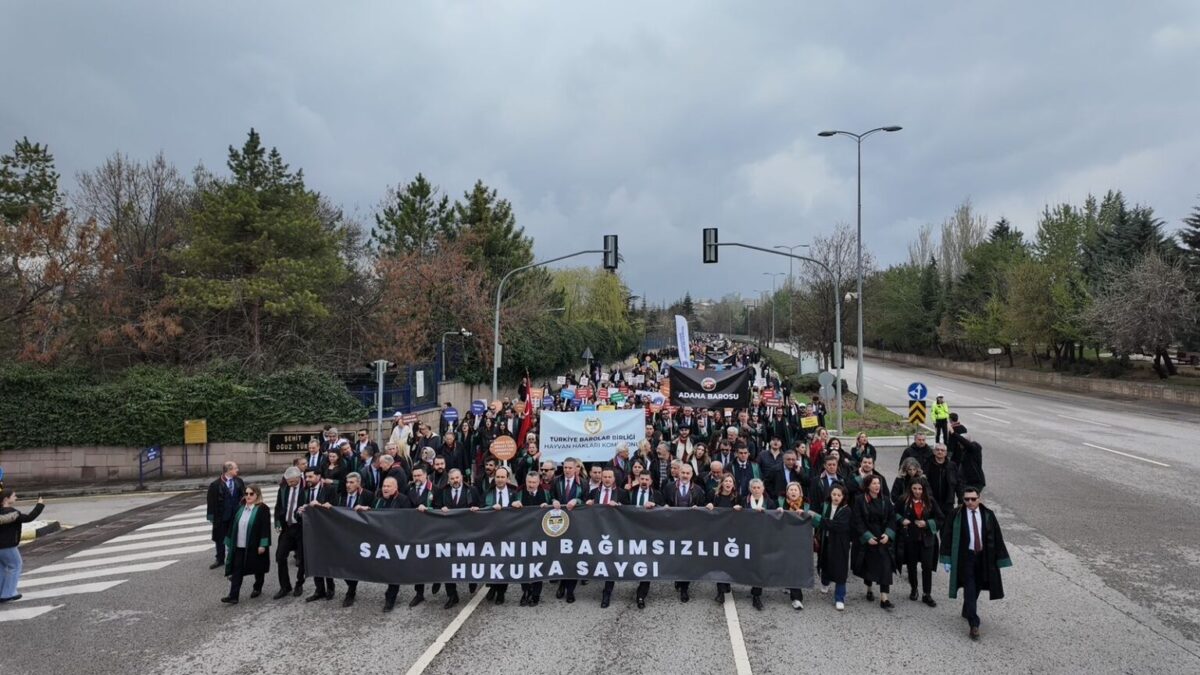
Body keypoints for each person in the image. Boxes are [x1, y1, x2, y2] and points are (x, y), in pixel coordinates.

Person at [940, 487, 1012, 641]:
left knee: (978, 586)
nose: (970, 502)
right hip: (966, 558)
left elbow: (997, 536)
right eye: (966, 499)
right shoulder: (956, 515)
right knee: (970, 588)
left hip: (983, 557)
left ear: (979, 498)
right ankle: (974, 624)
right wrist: (946, 558)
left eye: (973, 499)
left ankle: (967, 609)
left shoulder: (988, 515)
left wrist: (1001, 559)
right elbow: (947, 536)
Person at [429, 469, 479, 608]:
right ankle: (452, 595)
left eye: (457, 478)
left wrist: (476, 509)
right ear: (448, 480)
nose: (455, 481)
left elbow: (480, 506)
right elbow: (436, 507)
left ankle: (472, 580)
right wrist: (441, 508)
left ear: (461, 477)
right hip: (448, 534)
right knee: (448, 564)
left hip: (468, 534)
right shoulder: (442, 491)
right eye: (452, 479)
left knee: (469, 560)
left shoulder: (472, 490)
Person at [221, 485, 271, 604]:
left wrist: (263, 544)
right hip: (240, 544)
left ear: (257, 495)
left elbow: (265, 527)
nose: (248, 496)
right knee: (237, 569)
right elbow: (233, 524)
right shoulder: (240, 508)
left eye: (251, 494)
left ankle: (257, 587)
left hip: (255, 544)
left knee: (258, 568)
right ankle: (233, 596)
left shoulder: (263, 509)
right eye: (246, 493)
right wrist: (229, 541)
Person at [852, 474, 895, 610]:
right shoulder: (860, 500)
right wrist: (867, 537)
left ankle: (884, 598)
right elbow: (857, 520)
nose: (877, 486)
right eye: (874, 483)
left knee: (886, 565)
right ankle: (869, 588)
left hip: (882, 537)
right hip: (868, 537)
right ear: (868, 486)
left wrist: (888, 534)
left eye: (878, 483)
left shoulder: (886, 500)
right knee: (869, 566)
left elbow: (892, 519)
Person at [896, 478, 942, 607]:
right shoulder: (903, 500)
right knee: (911, 566)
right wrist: (901, 520)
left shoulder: (930, 501)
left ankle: (927, 594)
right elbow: (893, 513)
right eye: (915, 488)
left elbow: (940, 518)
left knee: (927, 566)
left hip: (927, 539)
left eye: (920, 489)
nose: (917, 491)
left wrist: (927, 523)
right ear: (910, 489)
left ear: (924, 489)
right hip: (910, 539)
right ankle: (914, 589)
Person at [586, 468, 626, 608]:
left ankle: (607, 592)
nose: (607, 479)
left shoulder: (621, 493)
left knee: (610, 561)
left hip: (613, 532)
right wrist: (587, 504)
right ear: (601, 478)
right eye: (605, 477)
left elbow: (629, 510)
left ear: (614, 479)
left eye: (610, 477)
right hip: (596, 531)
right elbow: (584, 509)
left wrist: (620, 506)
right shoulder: (593, 492)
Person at [512, 471, 552, 607]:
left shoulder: (546, 493)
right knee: (523, 565)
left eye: (534, 482)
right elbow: (509, 510)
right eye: (529, 482)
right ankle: (525, 591)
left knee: (537, 565)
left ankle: (536, 594)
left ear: (539, 482)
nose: (531, 485)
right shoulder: (518, 493)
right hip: (523, 536)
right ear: (526, 481)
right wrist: (513, 504)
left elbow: (555, 506)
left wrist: (548, 506)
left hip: (540, 536)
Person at [668, 463, 706, 603]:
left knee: (688, 558)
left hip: (691, 530)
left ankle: (685, 588)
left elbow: (704, 508)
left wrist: (699, 509)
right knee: (676, 556)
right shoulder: (669, 487)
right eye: (683, 473)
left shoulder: (698, 490)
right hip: (674, 529)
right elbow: (663, 503)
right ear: (678, 473)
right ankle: (678, 578)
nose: (685, 475)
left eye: (687, 473)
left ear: (691, 475)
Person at [0, 489, 45, 603]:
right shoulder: (12, 513)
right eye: (14, 496)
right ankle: (8, 593)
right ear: (6, 499)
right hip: (7, 545)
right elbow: (29, 518)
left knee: (2, 569)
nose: (16, 498)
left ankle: (2, 592)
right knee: (15, 565)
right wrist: (39, 505)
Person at [551, 457, 586, 603]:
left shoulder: (582, 483)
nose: (567, 470)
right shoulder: (556, 481)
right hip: (559, 523)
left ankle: (570, 590)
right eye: (565, 467)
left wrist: (577, 501)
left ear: (576, 468)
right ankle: (562, 584)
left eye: (570, 468)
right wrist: (554, 501)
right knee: (561, 555)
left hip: (576, 524)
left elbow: (586, 501)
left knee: (573, 556)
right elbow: (551, 496)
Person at [815, 484, 852, 611]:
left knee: (840, 569)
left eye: (839, 495)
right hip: (826, 540)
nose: (836, 497)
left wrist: (818, 519)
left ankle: (839, 598)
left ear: (843, 497)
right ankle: (825, 582)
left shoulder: (846, 510)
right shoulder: (825, 506)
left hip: (840, 543)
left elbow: (837, 525)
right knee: (825, 562)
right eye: (834, 494)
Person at [271, 467, 306, 599]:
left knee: (301, 559)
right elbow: (278, 506)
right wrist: (277, 522)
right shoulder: (283, 489)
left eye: (292, 481)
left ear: (298, 478)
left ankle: (299, 583)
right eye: (288, 481)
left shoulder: (305, 489)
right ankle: (285, 586)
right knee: (280, 556)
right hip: (287, 527)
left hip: (301, 527)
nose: (290, 484)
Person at [206, 461, 245, 570]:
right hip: (221, 517)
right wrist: (211, 517)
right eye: (235, 468)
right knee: (220, 538)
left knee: (235, 537)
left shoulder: (239, 481)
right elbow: (211, 502)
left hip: (236, 515)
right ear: (229, 470)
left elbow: (244, 496)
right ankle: (220, 559)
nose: (237, 470)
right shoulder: (215, 485)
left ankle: (234, 558)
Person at [744, 478, 774, 610]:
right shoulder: (744, 501)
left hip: (763, 538)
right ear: (750, 489)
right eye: (754, 488)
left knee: (760, 566)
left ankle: (756, 594)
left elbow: (775, 518)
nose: (756, 490)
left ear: (763, 489)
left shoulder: (769, 502)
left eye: (758, 487)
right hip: (747, 538)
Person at [782, 482, 811, 610]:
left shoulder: (807, 505)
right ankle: (787, 583)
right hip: (784, 539)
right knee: (785, 564)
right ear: (787, 492)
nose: (793, 492)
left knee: (796, 568)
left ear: (800, 493)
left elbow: (815, 520)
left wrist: (806, 514)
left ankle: (797, 598)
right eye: (791, 490)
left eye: (795, 490)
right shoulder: (781, 503)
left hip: (800, 540)